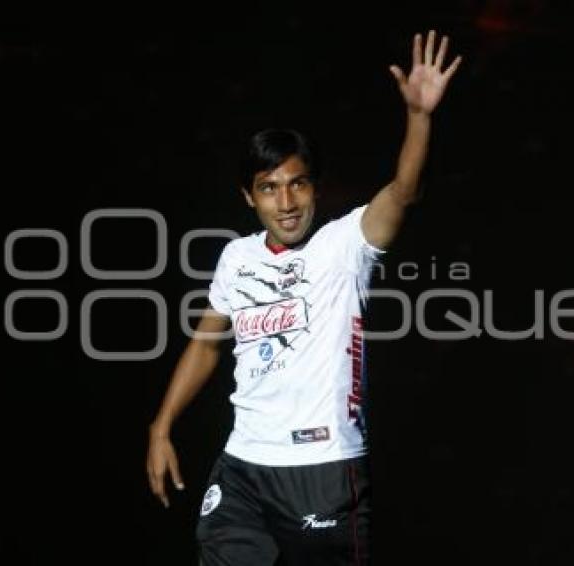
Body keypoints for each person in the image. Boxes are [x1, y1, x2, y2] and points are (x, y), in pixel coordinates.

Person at [146, 29, 462, 565]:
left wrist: (420, 117)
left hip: (326, 474)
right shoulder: (236, 259)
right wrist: (162, 424)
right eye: (270, 188)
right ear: (249, 197)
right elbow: (205, 345)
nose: (286, 202)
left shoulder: (347, 245)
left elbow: (404, 191)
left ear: (315, 187)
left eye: (298, 184)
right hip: (243, 470)